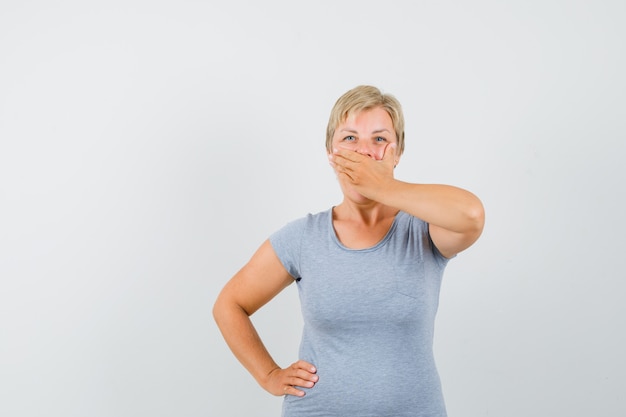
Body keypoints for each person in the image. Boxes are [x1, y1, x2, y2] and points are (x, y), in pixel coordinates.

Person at [213, 85, 485, 416]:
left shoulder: (424, 231)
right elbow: (229, 305)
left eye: (380, 139)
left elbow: (471, 215)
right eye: (350, 139)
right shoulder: (303, 237)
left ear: (397, 153)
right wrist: (269, 375)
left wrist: (384, 187)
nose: (363, 152)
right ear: (331, 152)